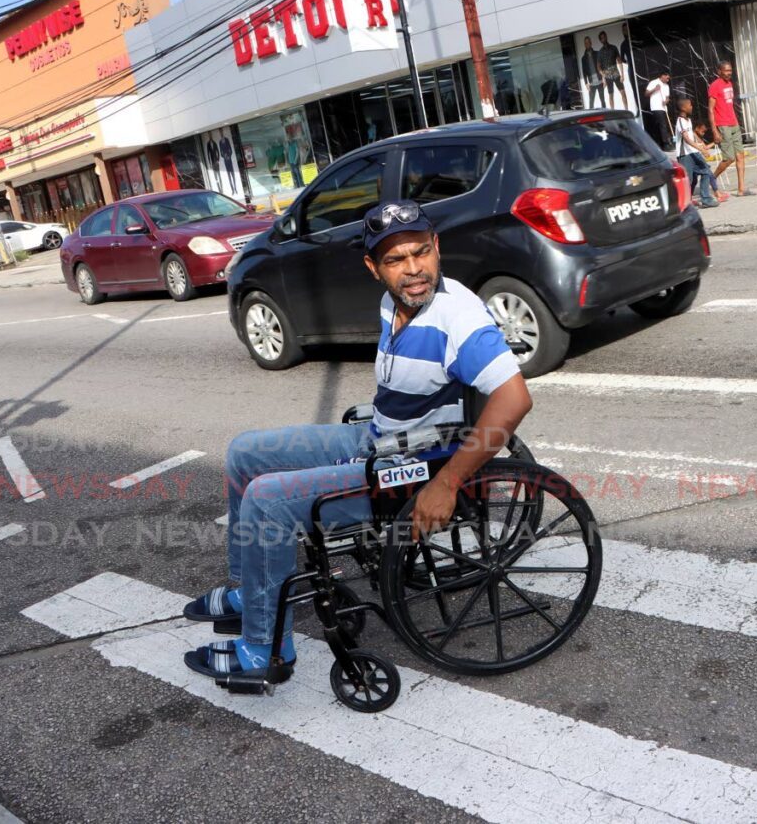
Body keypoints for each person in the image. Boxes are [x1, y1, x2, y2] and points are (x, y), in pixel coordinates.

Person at [182, 200, 532, 685]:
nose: (413, 269)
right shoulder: (396, 302)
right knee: (244, 453)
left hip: (413, 466)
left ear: (436, 248)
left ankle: (265, 650)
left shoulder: (458, 318)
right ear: (374, 267)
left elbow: (513, 401)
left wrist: (447, 484)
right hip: (380, 439)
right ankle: (254, 595)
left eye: (421, 253)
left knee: (267, 501)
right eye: (395, 259)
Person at [708, 61, 754, 196]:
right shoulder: (715, 86)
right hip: (723, 125)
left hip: (733, 124)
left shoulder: (729, 84)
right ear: (719, 71)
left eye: (730, 70)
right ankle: (712, 178)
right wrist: (715, 130)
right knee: (729, 158)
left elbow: (729, 105)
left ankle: (741, 189)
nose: (729, 73)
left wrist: (736, 122)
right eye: (726, 71)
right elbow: (710, 109)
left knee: (740, 156)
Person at [674, 98, 720, 208]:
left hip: (693, 152)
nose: (691, 107)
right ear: (683, 108)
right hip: (685, 155)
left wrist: (701, 143)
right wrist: (701, 149)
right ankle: (683, 202)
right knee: (688, 180)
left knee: (705, 171)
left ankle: (706, 199)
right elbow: (686, 139)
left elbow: (692, 134)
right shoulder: (680, 121)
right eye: (689, 105)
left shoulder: (688, 120)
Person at [694, 122, 729, 201]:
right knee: (694, 179)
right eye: (702, 131)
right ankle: (716, 194)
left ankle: (717, 193)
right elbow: (700, 148)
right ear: (696, 128)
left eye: (704, 132)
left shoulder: (699, 138)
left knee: (709, 175)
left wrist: (714, 142)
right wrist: (702, 151)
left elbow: (705, 147)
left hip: (699, 159)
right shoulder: (692, 136)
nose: (703, 134)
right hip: (694, 159)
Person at [597, 30, 629, 109]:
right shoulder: (600, 52)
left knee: (623, 92)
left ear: (606, 37)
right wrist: (603, 76)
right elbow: (598, 66)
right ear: (600, 40)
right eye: (602, 38)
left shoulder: (613, 48)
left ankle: (626, 110)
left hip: (616, 73)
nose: (603, 39)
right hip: (608, 75)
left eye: (604, 37)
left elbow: (619, 61)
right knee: (611, 95)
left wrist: (622, 74)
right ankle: (613, 112)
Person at [645, 70, 673, 150]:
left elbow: (667, 97)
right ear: (662, 76)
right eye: (667, 78)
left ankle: (661, 144)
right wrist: (655, 89)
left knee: (662, 126)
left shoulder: (666, 86)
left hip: (664, 108)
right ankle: (666, 144)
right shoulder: (653, 82)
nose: (668, 80)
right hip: (656, 107)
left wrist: (666, 101)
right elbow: (646, 94)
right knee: (662, 125)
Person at [581, 36, 605, 108]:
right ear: (584, 45)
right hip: (591, 83)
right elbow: (584, 71)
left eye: (588, 42)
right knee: (591, 102)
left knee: (602, 100)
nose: (587, 44)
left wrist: (604, 78)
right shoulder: (583, 58)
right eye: (586, 43)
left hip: (600, 80)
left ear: (591, 43)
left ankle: (605, 115)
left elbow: (602, 67)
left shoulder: (597, 53)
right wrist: (586, 83)